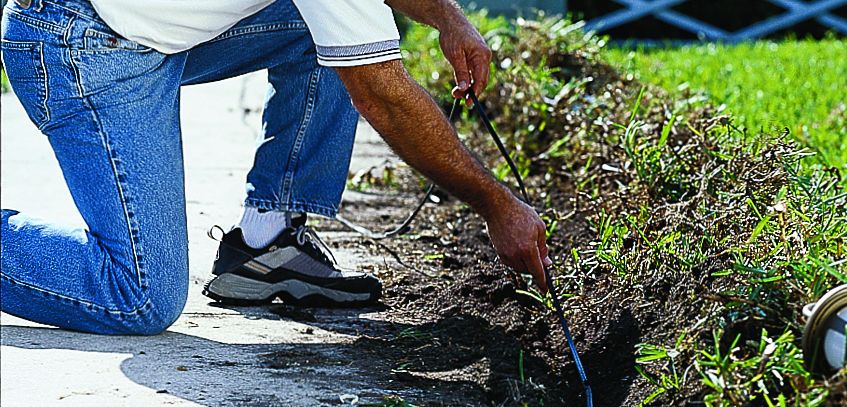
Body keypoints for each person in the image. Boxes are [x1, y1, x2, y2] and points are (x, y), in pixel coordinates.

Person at [0, 0, 552, 335]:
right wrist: (496, 203)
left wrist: (447, 17)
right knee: (140, 295)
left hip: (136, 25)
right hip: (80, 43)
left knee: (323, 30)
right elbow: (380, 95)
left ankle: (267, 241)